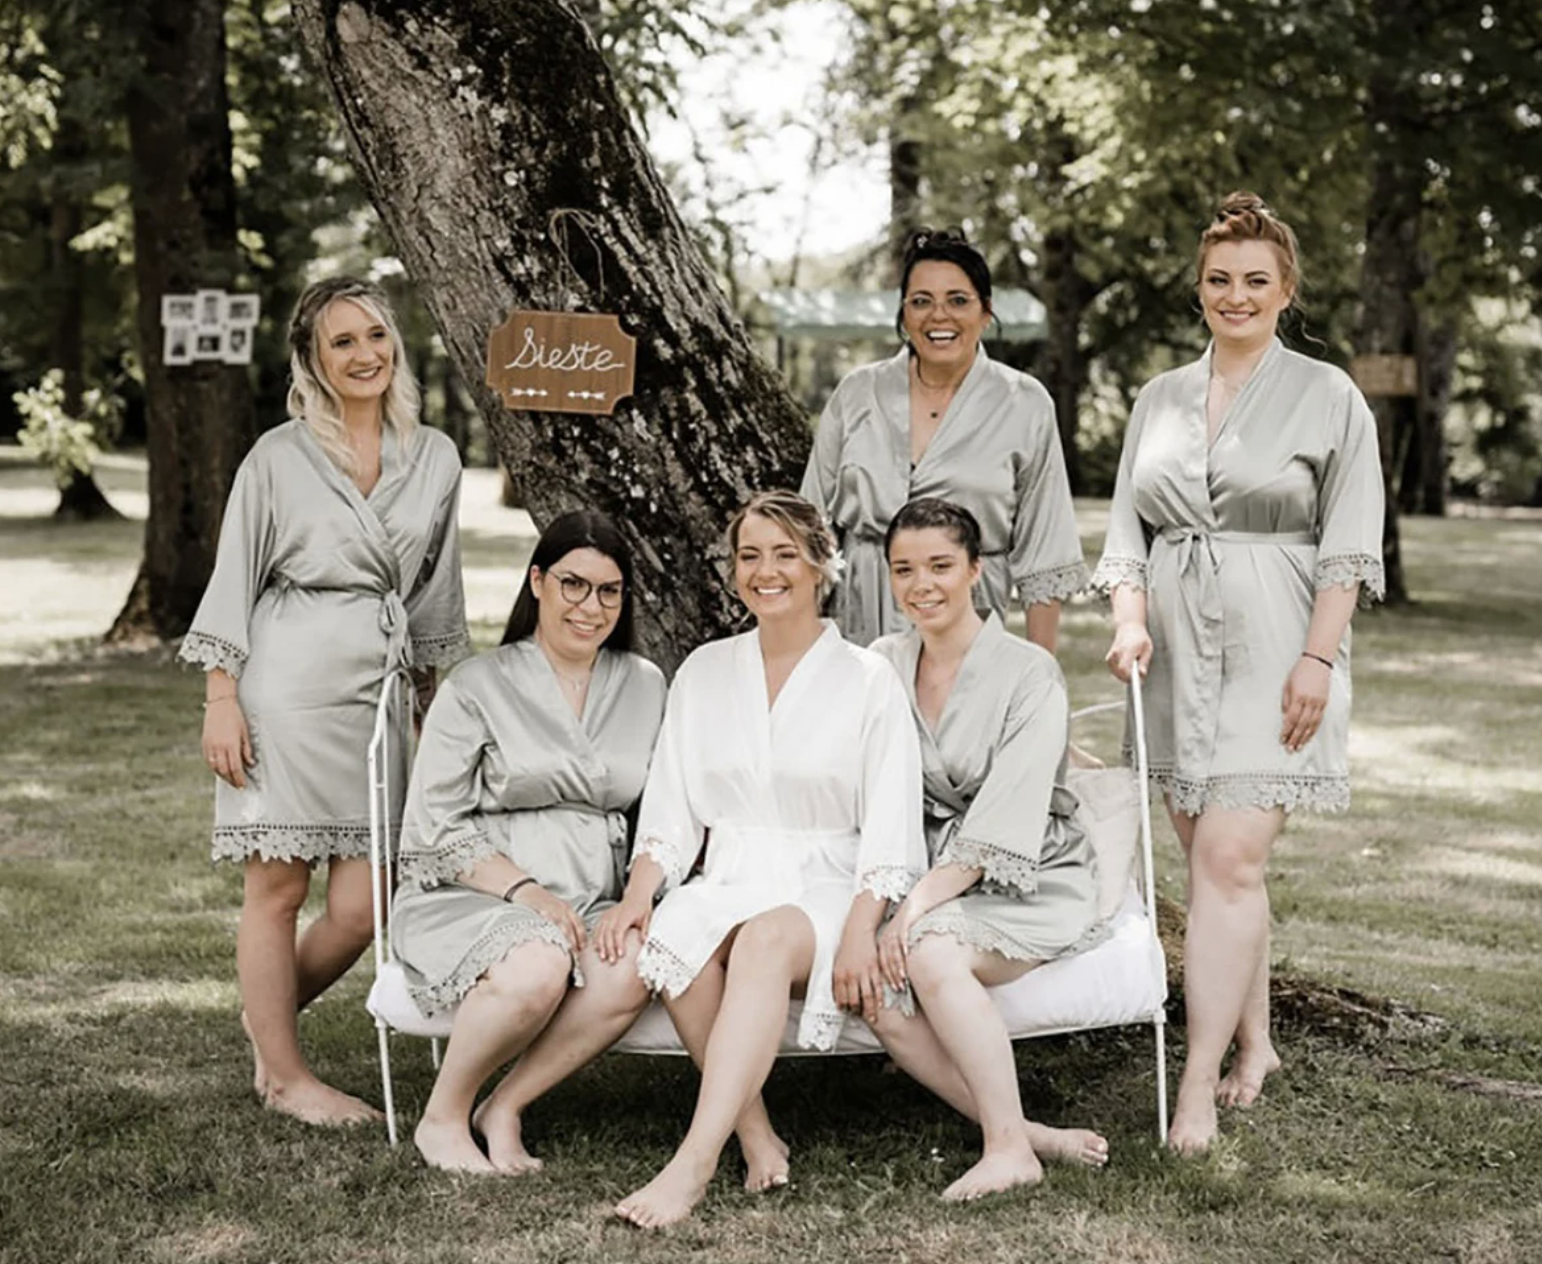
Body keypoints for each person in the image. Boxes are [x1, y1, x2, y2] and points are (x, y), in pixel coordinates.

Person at [1092, 192, 1385, 1153]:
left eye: (1257, 280)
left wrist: (1317, 658)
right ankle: (1257, 1042)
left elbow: (1349, 545)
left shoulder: (1330, 395)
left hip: (1279, 649)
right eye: (1219, 279)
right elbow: (1127, 530)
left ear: (1287, 289)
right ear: (1199, 289)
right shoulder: (1158, 397)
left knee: (1229, 859)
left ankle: (1198, 1088)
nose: (1237, 295)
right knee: (1216, 867)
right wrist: (1130, 620)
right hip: (1172, 653)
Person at [181, 276, 470, 1127]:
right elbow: (235, 573)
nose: (364, 354)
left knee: (364, 904)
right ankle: (284, 1075)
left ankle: (263, 1016)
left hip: (381, 693)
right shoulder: (277, 456)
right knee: (277, 889)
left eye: (375, 335)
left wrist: (429, 696)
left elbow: (435, 587)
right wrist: (220, 696)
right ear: (312, 358)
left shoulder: (436, 456)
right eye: (342, 341)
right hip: (286, 687)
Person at [607, 490, 925, 1230]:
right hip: (731, 875)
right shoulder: (705, 671)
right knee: (677, 937)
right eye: (749, 555)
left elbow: (891, 822)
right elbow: (672, 810)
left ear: (821, 565)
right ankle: (756, 1135)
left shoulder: (868, 678)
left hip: (827, 884)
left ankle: (692, 1164)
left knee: (762, 939)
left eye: (785, 554)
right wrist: (639, 894)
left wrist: (862, 925)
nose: (765, 571)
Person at [393, 511, 666, 1173]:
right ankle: (443, 1116)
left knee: (636, 964)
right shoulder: (477, 686)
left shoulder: (645, 684)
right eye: (573, 584)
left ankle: (506, 1105)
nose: (590, 607)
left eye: (609, 591)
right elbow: (434, 825)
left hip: (592, 896)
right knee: (538, 962)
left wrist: (637, 897)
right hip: (478, 894)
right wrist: (527, 892)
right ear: (538, 581)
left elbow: (664, 807)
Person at [863, 497, 1111, 1200]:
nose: (922, 585)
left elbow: (1004, 823)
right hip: (923, 868)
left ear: (975, 570)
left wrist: (912, 909)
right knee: (874, 987)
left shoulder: (1030, 672)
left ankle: (1007, 1149)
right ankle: (1029, 1133)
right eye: (904, 569)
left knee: (929, 952)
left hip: (1025, 873)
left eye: (940, 566)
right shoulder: (881, 664)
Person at [802, 227, 1088, 650]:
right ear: (903, 313)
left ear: (986, 312)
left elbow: (1044, 556)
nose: (939, 316)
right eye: (921, 301)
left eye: (958, 300)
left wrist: (1040, 673)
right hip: (862, 632)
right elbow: (809, 532)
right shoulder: (857, 394)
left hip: (969, 631)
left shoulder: (1026, 403)